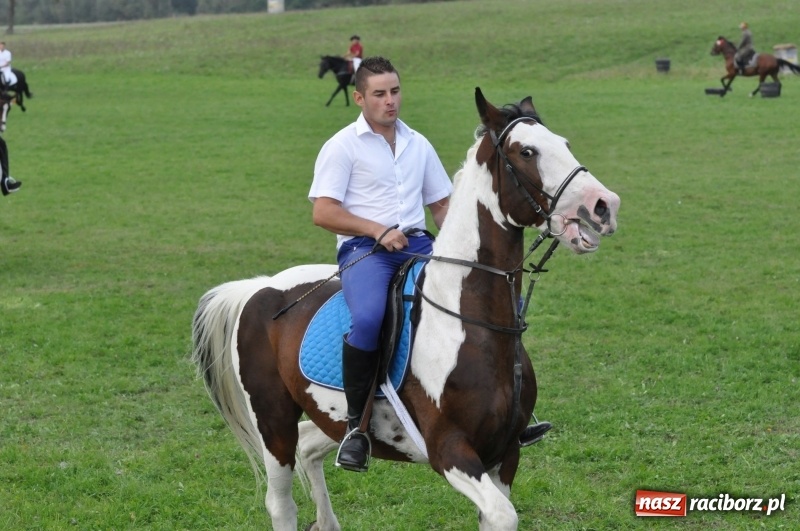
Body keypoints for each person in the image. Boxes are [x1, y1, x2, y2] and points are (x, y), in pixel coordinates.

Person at [309, 56, 452, 472]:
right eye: (379, 94)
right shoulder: (341, 146)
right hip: (365, 251)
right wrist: (376, 229)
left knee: (481, 296)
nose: (390, 101)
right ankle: (357, 429)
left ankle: (507, 409)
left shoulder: (417, 143)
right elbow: (324, 212)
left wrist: (463, 242)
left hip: (419, 243)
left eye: (395, 91)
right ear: (359, 98)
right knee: (369, 318)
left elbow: (440, 205)